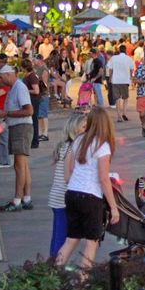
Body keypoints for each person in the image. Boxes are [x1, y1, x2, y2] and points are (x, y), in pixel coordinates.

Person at [55, 108, 120, 273]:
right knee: (92, 242)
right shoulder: (102, 145)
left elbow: (69, 171)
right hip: (90, 196)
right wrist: (113, 207)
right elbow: (103, 178)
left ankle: (53, 275)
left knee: (71, 239)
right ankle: (82, 279)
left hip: (72, 193)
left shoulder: (78, 140)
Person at [0, 65, 34, 212]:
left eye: (1, 77)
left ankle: (17, 200)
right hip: (18, 127)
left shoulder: (19, 87)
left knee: (19, 165)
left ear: (9, 75)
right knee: (23, 165)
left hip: (21, 127)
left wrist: (7, 114)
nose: (0, 80)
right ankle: (26, 198)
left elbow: (29, 110)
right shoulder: (14, 88)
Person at [48, 113, 87, 257]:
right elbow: (69, 174)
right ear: (75, 129)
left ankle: (52, 263)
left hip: (57, 196)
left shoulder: (64, 145)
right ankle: (54, 266)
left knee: (59, 233)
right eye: (84, 127)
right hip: (62, 197)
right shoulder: (73, 148)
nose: (87, 129)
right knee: (61, 235)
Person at [106, 44, 135, 123]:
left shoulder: (114, 58)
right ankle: (124, 113)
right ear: (125, 50)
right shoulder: (129, 59)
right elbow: (131, 69)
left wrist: (110, 78)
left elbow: (110, 69)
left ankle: (119, 116)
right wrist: (131, 78)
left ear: (119, 50)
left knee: (117, 98)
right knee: (125, 98)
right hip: (125, 80)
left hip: (116, 80)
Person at [22, 58, 41, 148]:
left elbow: (36, 91)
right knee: (31, 120)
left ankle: (35, 140)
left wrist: (26, 90)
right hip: (30, 100)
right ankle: (32, 139)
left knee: (34, 120)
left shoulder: (32, 77)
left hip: (34, 100)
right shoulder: (28, 76)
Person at [34, 55, 51, 142]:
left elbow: (44, 83)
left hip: (43, 94)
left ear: (40, 60)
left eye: (35, 60)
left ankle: (45, 133)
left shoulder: (44, 69)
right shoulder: (37, 69)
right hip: (39, 94)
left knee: (43, 114)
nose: (34, 61)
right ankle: (41, 133)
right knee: (39, 115)